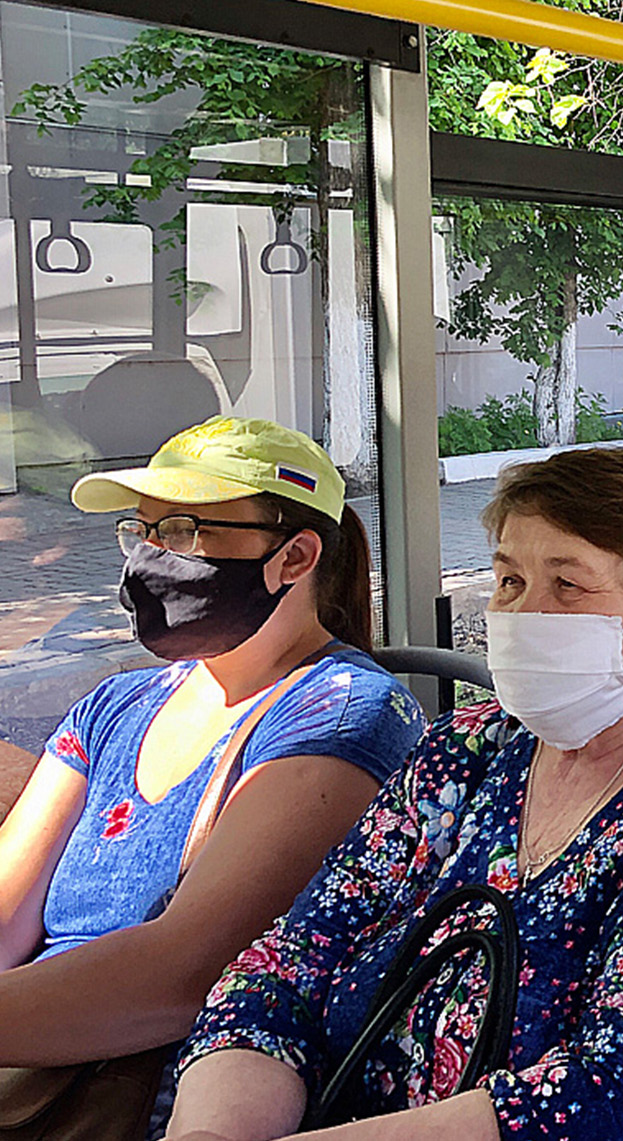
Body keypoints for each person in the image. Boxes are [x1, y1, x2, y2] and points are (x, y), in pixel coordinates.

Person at [166, 447, 623, 1141]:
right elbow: (290, 960)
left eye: (568, 586)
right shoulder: (467, 749)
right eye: (510, 579)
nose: (522, 612)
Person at [0, 417, 425, 1130]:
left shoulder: (346, 713)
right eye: (143, 530)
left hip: (166, 1099)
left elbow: (185, 976)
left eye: (187, 531)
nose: (151, 556)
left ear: (295, 557)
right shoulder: (116, 704)